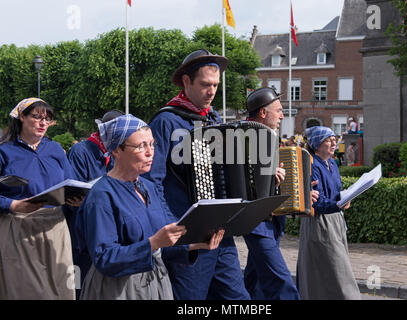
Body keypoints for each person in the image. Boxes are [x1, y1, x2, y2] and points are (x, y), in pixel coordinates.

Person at [76, 114, 224, 300]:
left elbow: (161, 246)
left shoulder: (149, 187)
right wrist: (153, 243)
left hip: (154, 284)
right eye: (140, 146)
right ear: (116, 150)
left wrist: (194, 244)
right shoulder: (101, 195)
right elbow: (105, 258)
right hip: (118, 290)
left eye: (152, 144)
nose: (150, 152)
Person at [144, 49, 250, 300]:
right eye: (205, 85)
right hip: (188, 237)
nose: (212, 92)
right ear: (186, 81)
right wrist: (173, 228)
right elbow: (152, 181)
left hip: (221, 233)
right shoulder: (165, 121)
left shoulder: (214, 119)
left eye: (215, 85)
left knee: (239, 300)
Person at [0, 97, 81, 299]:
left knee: (61, 286)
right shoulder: (4, 151)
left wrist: (77, 199)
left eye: (47, 119)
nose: (43, 123)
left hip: (56, 226)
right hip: (19, 228)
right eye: (37, 117)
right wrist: (12, 204)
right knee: (26, 290)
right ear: (21, 117)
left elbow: (70, 182)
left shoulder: (54, 149)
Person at [244, 87, 319, 299]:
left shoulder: (272, 137)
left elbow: (278, 182)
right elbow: (238, 176)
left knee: (255, 279)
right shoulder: (242, 137)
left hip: (273, 221)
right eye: (278, 110)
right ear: (263, 113)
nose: (283, 115)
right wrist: (265, 174)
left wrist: (303, 193)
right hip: (256, 223)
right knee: (281, 282)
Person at [297, 126, 361, 300]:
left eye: (334, 138)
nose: (334, 143)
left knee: (330, 267)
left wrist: (346, 196)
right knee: (337, 269)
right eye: (328, 139)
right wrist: (338, 204)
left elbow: (335, 192)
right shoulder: (312, 164)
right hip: (320, 223)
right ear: (317, 144)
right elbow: (318, 202)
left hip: (336, 220)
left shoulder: (332, 162)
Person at [66, 109, 124, 295]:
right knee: (79, 285)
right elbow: (74, 191)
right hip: (81, 233)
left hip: (106, 230)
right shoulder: (80, 151)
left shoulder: (116, 154)